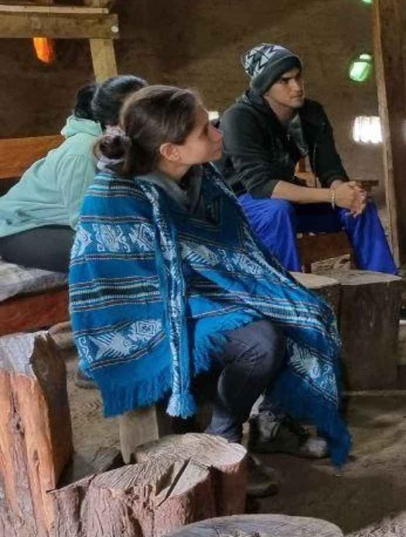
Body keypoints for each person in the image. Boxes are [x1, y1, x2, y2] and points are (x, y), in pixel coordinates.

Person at [69, 85, 352, 498]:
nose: (218, 134)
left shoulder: (204, 177)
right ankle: (224, 440)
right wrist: (216, 296)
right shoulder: (114, 195)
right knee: (260, 341)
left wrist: (246, 289)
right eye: (205, 130)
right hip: (142, 317)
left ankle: (270, 424)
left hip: (204, 294)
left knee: (304, 312)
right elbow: (120, 288)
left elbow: (232, 249)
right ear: (171, 151)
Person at [216, 43, 406, 324]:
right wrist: (332, 196)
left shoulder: (311, 113)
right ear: (264, 87)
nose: (296, 87)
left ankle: (385, 296)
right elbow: (260, 186)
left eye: (298, 77)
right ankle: (289, 303)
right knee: (277, 210)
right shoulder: (239, 118)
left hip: (285, 198)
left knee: (359, 206)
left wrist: (343, 191)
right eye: (285, 81)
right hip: (241, 204)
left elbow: (329, 166)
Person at [0, 75, 147, 272]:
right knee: (107, 255)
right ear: (113, 117)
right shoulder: (82, 151)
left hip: (58, 223)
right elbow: (84, 219)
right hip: (19, 228)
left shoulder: (119, 143)